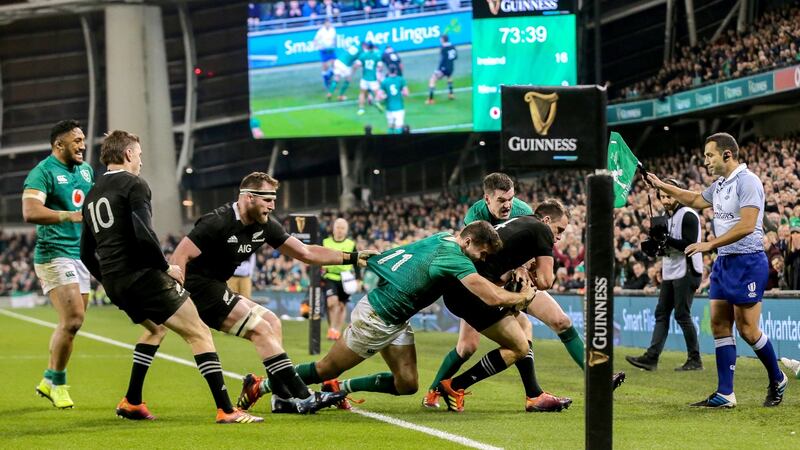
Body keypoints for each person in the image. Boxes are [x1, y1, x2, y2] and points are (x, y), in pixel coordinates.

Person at [237, 221, 537, 411]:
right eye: (482, 254)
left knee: (407, 384)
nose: (483, 260)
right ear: (469, 242)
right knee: (325, 368)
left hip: (396, 319)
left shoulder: (445, 237)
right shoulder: (455, 258)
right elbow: (491, 296)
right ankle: (259, 385)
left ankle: (339, 389)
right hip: (377, 318)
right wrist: (523, 297)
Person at [130, 172, 353, 415]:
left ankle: (281, 399)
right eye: (268, 199)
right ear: (248, 198)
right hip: (200, 288)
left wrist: (353, 258)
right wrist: (178, 296)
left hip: (217, 285)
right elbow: (180, 256)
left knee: (272, 322)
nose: (273, 205)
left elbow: (306, 253)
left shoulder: (265, 225)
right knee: (260, 329)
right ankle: (305, 395)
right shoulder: (217, 221)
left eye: (273, 199)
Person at [79, 130, 262, 423]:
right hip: (143, 276)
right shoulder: (134, 184)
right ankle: (227, 410)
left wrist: (110, 281)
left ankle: (132, 402)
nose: (140, 160)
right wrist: (166, 268)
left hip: (115, 282)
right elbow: (144, 233)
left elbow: (86, 253)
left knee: (155, 329)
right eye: (138, 154)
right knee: (199, 332)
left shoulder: (91, 194)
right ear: (127, 154)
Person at [425, 175, 625, 409]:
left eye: (511, 198)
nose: (508, 205)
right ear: (487, 199)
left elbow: (527, 246)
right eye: (501, 200)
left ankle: (588, 381)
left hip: (514, 278)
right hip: (477, 285)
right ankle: (437, 390)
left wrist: (520, 267)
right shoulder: (475, 215)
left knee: (560, 320)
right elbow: (472, 254)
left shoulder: (525, 211)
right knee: (468, 346)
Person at [646, 132, 787, 408]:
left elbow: (747, 225)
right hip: (725, 261)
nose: (706, 161)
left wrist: (708, 244)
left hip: (748, 261)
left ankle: (778, 377)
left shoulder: (749, 181)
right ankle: (725, 393)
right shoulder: (721, 184)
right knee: (719, 324)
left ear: (727, 154)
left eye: (709, 155)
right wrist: (663, 185)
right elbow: (696, 199)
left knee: (748, 329)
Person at [23, 120, 94, 409]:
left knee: (71, 325)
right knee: (74, 319)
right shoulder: (42, 172)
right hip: (54, 253)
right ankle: (60, 383)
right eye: (76, 141)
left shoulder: (86, 170)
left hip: (81, 255)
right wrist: (69, 215)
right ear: (59, 144)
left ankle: (48, 379)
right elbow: (30, 211)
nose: (82, 145)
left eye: (83, 140)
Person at [626, 179, 704, 371]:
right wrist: (653, 246)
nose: (665, 199)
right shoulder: (664, 217)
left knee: (682, 314)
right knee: (662, 313)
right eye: (662, 196)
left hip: (687, 269)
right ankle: (651, 358)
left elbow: (689, 245)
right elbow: (665, 247)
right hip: (670, 270)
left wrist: (665, 239)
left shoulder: (688, 215)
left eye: (668, 195)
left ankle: (695, 359)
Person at [321, 218, 359, 341]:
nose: (340, 230)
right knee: (332, 302)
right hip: (329, 276)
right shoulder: (325, 242)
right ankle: (332, 329)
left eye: (343, 228)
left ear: (346, 230)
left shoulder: (351, 244)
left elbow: (356, 262)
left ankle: (337, 330)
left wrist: (359, 279)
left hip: (345, 278)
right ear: (333, 229)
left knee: (342, 305)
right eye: (338, 227)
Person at [426, 34, 457, 105]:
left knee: (432, 79)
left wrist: (438, 69)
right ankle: (451, 94)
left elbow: (442, 60)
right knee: (449, 78)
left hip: (443, 68)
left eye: (441, 39)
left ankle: (430, 99)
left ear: (443, 40)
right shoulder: (453, 47)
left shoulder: (443, 48)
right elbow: (455, 57)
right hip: (451, 67)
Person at [378, 65, 408, 134]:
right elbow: (406, 93)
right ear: (396, 71)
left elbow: (379, 96)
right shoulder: (401, 80)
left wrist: (385, 96)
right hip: (399, 107)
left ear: (388, 71)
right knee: (399, 128)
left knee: (390, 127)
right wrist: (400, 93)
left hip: (389, 108)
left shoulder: (385, 81)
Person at [357, 41, 383, 116]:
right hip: (373, 78)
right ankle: (377, 102)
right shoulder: (376, 56)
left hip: (364, 78)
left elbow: (358, 64)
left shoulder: (363, 55)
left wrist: (363, 66)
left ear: (367, 47)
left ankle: (361, 109)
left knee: (362, 93)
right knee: (377, 93)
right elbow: (380, 66)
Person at [313, 18, 337, 89]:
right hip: (323, 49)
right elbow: (315, 40)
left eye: (330, 22)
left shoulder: (333, 30)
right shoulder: (320, 31)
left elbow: (335, 39)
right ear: (324, 24)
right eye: (327, 23)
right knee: (325, 66)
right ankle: (326, 80)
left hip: (331, 49)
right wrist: (318, 47)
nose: (329, 24)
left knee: (334, 64)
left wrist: (335, 45)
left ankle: (329, 75)